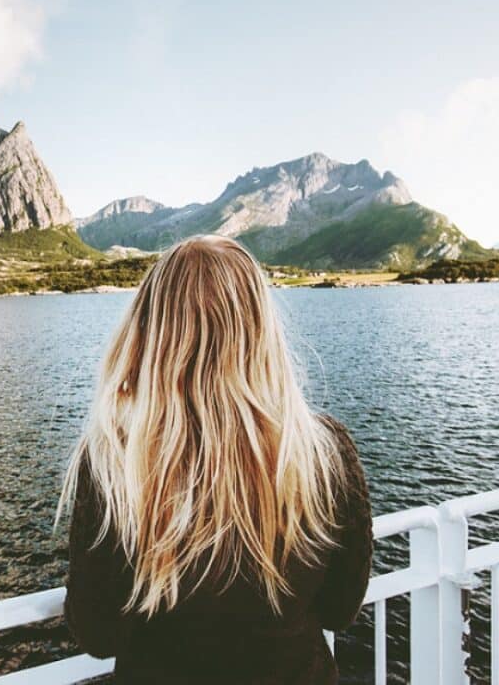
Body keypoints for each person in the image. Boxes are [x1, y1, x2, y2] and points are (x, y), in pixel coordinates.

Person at [58, 235, 373, 684]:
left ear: (149, 333)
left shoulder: (115, 463)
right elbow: (340, 609)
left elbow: (98, 634)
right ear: (261, 331)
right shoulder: (325, 452)